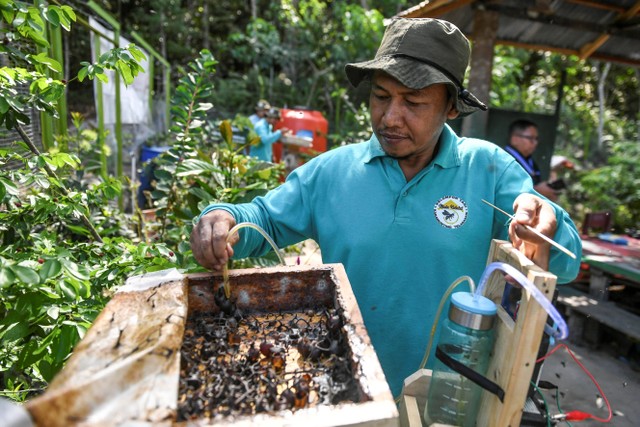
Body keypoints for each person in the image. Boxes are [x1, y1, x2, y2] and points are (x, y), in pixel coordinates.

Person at [190, 18, 582, 398]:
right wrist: (222, 219)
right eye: (380, 97)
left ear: (450, 107)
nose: (390, 117)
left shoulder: (490, 171)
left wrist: (547, 227)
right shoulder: (332, 173)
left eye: (413, 102)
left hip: (447, 396)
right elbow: (263, 222)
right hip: (346, 384)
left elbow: (565, 264)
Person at [505, 119, 560, 201]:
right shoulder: (504, 160)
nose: (535, 143)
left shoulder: (530, 161)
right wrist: (537, 191)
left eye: (536, 139)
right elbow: (504, 191)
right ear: (515, 139)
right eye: (530, 138)